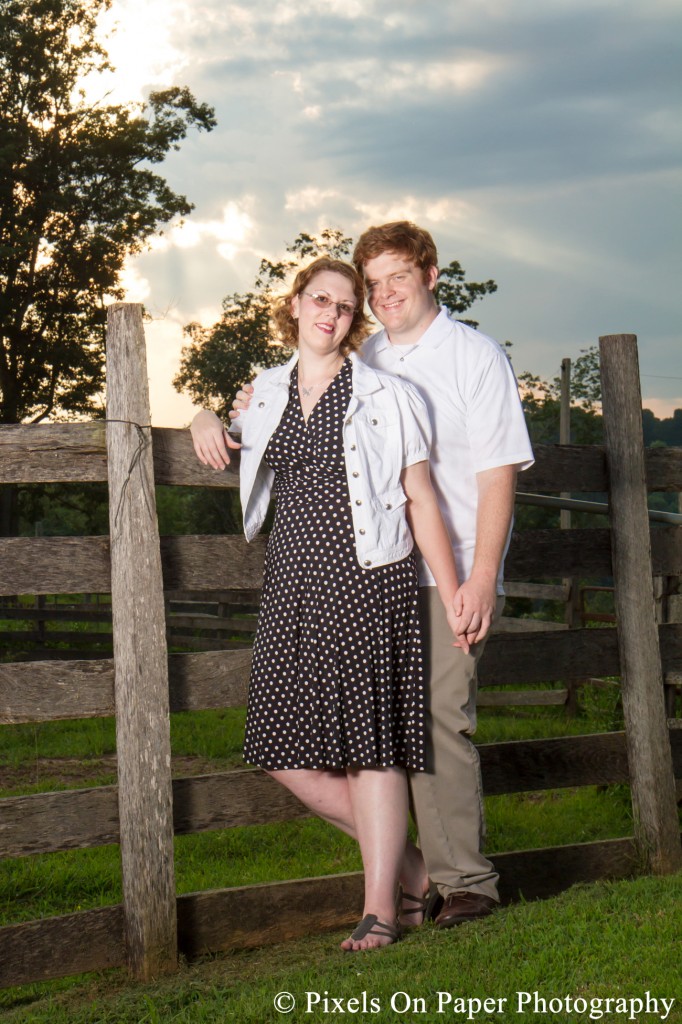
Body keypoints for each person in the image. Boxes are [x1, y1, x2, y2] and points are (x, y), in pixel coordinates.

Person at [191, 223, 534, 932]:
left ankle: (461, 885)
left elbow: (488, 476)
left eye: (394, 279)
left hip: (449, 566)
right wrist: (208, 411)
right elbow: (262, 413)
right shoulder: (362, 354)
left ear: (431, 274)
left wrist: (479, 577)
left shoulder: (473, 356)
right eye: (367, 286)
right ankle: (413, 874)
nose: (379, 296)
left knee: (434, 721)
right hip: (355, 574)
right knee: (351, 737)